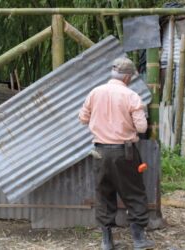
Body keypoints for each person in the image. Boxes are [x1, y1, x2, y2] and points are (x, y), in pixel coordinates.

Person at [78, 57, 155, 250]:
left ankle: (106, 242)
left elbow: (82, 119)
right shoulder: (131, 96)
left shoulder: (95, 92)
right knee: (134, 193)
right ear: (127, 77)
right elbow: (142, 126)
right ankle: (138, 240)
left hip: (100, 152)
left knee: (104, 194)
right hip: (125, 152)